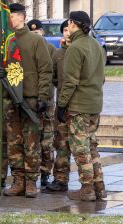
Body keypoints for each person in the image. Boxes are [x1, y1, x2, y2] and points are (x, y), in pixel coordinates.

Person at [2, 4, 53, 197]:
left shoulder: (35, 41)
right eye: (9, 17)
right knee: (14, 142)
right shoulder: (7, 41)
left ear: (22, 17)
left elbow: (45, 70)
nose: (10, 21)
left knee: (32, 143)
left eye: (13, 17)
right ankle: (18, 180)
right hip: (12, 99)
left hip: (30, 98)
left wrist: (43, 97)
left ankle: (32, 180)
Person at [57, 11, 106, 201]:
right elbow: (101, 78)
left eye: (69, 23)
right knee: (92, 146)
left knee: (80, 148)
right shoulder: (95, 45)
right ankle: (99, 186)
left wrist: (61, 105)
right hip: (95, 105)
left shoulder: (75, 48)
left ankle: (87, 188)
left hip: (79, 106)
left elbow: (70, 82)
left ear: (72, 24)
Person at [28, 18, 57, 189]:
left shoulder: (51, 50)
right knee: (31, 140)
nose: (35, 35)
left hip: (47, 101)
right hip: (30, 101)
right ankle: (31, 173)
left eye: (37, 32)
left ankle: (46, 172)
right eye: (32, 33)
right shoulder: (25, 49)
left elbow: (52, 76)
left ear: (42, 33)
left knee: (46, 140)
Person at [47, 20, 72, 193]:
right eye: (64, 30)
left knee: (84, 145)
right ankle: (60, 179)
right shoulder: (58, 54)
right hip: (62, 105)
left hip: (80, 105)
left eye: (69, 30)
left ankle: (92, 182)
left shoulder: (82, 50)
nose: (67, 33)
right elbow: (54, 78)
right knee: (61, 143)